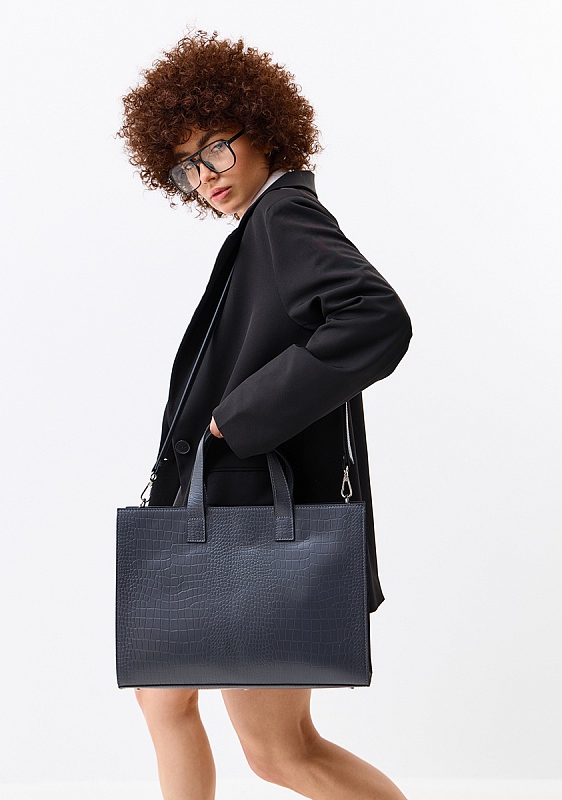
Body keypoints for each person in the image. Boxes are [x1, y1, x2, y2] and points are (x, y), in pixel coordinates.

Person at [118, 30, 412, 800]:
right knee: (173, 702)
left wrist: (238, 416)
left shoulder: (283, 216)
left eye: (216, 147)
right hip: (226, 517)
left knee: (279, 750)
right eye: (187, 165)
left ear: (262, 127)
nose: (205, 175)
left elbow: (376, 318)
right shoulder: (264, 227)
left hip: (250, 527)